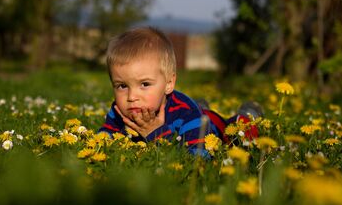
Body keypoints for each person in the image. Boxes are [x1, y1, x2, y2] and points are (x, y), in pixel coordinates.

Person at [98, 26, 260, 156]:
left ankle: (247, 113)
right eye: (122, 86)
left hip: (210, 128)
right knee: (200, 111)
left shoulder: (186, 114)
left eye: (145, 84)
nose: (132, 97)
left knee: (236, 130)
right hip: (193, 116)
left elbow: (199, 157)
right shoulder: (120, 111)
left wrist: (155, 133)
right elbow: (106, 134)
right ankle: (202, 106)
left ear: (169, 83)